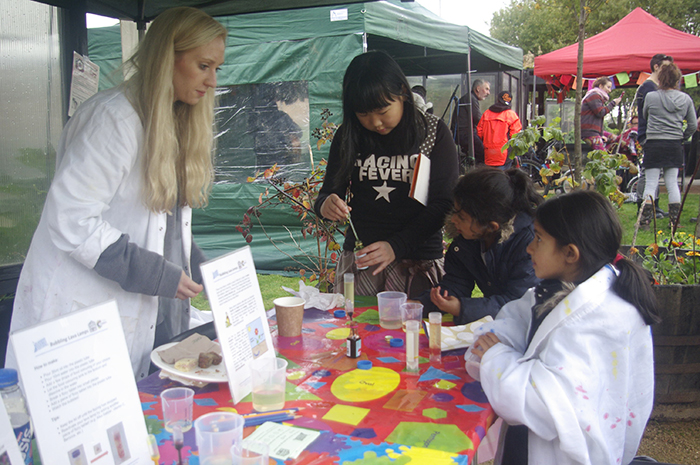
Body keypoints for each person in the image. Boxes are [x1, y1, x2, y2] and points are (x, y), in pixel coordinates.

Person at [8, 7, 227, 380]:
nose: (212, 80)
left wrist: (201, 266)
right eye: (203, 65)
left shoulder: (170, 119)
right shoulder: (114, 120)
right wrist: (153, 272)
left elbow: (163, 222)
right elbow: (71, 219)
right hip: (76, 311)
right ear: (165, 60)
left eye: (217, 68)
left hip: (122, 313)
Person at [467, 190, 660, 465]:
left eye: (539, 239)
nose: (529, 248)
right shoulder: (560, 289)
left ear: (570, 253)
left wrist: (496, 357)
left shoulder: (595, 320)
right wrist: (496, 345)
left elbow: (542, 404)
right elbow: (514, 320)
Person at [314, 51, 459, 299]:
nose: (375, 122)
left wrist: (396, 246)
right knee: (355, 334)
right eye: (363, 114)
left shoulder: (433, 132)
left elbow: (444, 203)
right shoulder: (349, 135)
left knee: (415, 335)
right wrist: (326, 204)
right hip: (363, 262)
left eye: (382, 110)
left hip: (418, 261)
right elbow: (329, 192)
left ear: (402, 92)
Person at [418, 167, 542, 324]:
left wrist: (461, 308)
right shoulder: (467, 239)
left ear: (491, 226)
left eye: (461, 217)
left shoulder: (528, 245)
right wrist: (425, 303)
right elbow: (457, 282)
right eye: (454, 211)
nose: (454, 220)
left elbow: (518, 304)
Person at [641, 63, 697, 228]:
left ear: (660, 78)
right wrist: (682, 137)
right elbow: (693, 125)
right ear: (677, 80)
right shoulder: (685, 99)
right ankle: (674, 221)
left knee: (651, 183)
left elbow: (645, 115)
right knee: (672, 183)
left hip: (654, 143)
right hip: (674, 144)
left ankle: (645, 221)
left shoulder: (650, 96)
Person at [635, 54, 674, 218]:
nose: (670, 70)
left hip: (656, 134)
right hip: (649, 135)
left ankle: (654, 206)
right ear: (656, 67)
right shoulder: (648, 88)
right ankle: (643, 208)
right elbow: (648, 115)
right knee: (648, 173)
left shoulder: (654, 87)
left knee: (653, 173)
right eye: (666, 66)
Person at [477, 91, 523, 169]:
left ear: (498, 100)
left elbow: (479, 132)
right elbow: (515, 136)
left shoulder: (486, 113)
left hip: (489, 152)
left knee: (491, 176)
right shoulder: (511, 115)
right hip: (504, 154)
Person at [451, 79, 490, 164]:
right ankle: (480, 170)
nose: (488, 93)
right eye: (486, 89)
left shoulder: (469, 97)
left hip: (463, 133)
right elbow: (478, 119)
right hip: (464, 134)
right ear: (478, 88)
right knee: (484, 151)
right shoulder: (471, 98)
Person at [580, 76, 622, 150]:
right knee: (602, 156)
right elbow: (600, 112)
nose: (610, 90)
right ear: (600, 86)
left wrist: (601, 135)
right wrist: (613, 103)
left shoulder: (597, 97)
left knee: (617, 139)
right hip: (589, 132)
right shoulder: (594, 95)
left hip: (595, 131)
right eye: (608, 87)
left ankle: (606, 148)